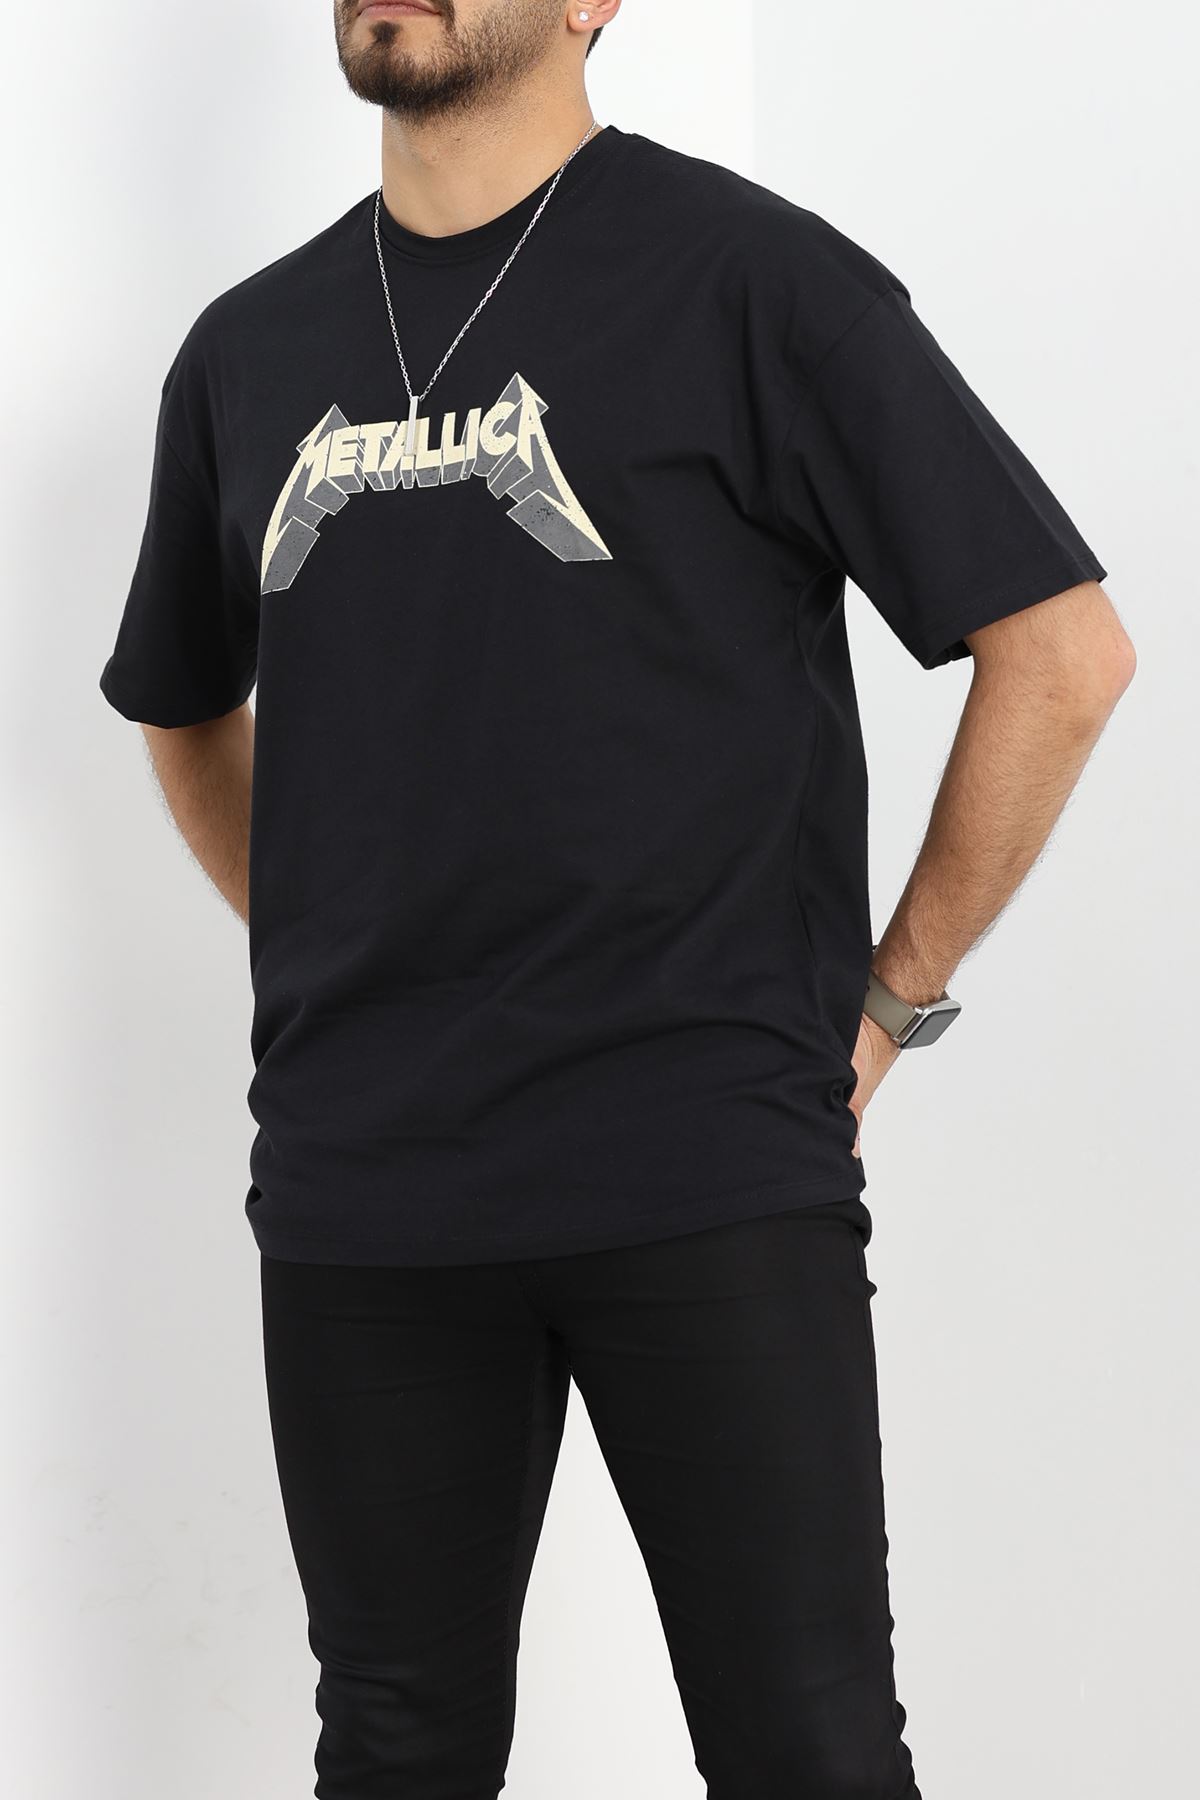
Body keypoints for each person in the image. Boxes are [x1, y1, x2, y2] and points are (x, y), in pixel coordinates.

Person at [98, 3, 1135, 1794]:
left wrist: (889, 1004)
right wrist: (335, 937)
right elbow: (183, 704)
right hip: (367, 1194)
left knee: (807, 1750)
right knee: (395, 1748)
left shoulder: (757, 285)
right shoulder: (247, 350)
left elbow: (1062, 652)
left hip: (704, 1170)